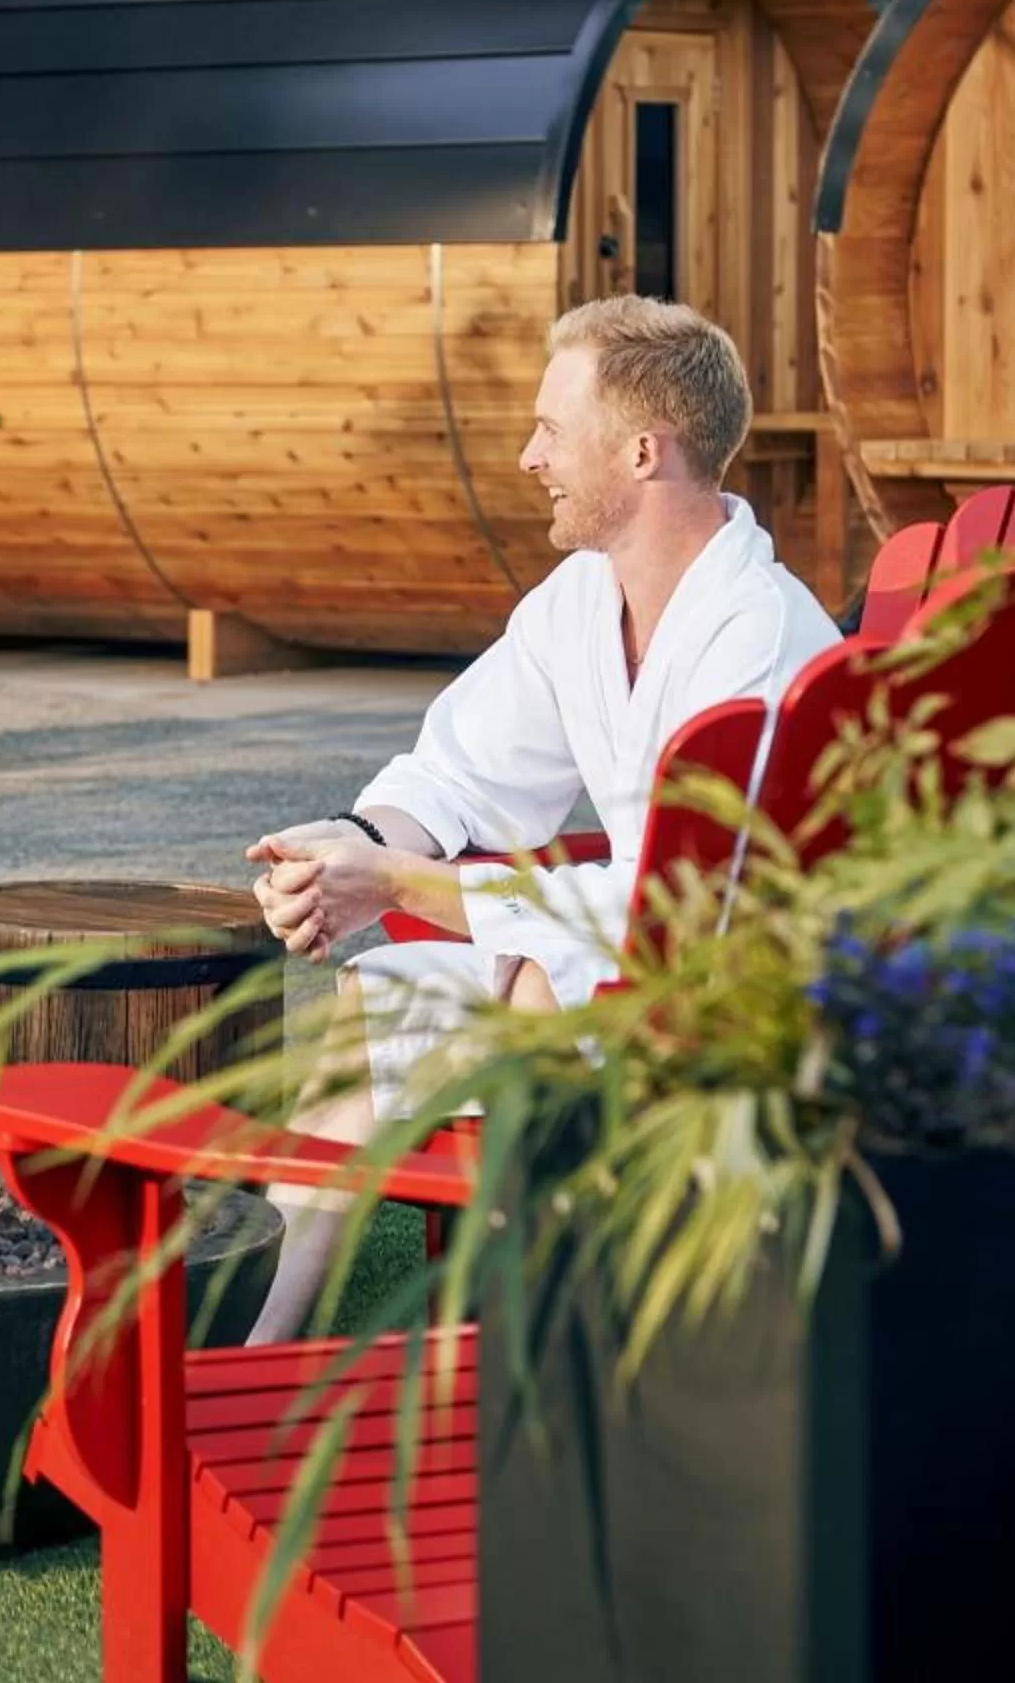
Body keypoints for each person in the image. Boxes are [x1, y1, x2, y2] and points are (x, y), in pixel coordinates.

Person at [242, 296, 841, 1343]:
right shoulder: (579, 600)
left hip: (740, 996)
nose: (528, 456)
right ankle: (260, 1346)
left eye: (552, 430)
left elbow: (682, 898)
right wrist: (349, 842)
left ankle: (535, 1348)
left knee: (525, 975)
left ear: (643, 450)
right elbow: (461, 772)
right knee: (376, 997)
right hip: (623, 956)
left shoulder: (758, 634)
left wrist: (393, 885)